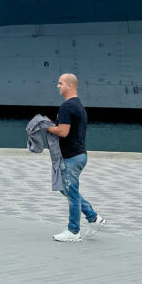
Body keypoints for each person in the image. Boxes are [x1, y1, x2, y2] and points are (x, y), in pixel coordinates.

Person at [46, 73, 105, 241]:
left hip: (71, 157)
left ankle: (73, 232)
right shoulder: (78, 105)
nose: (58, 86)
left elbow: (63, 132)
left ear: (70, 86)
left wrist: (47, 126)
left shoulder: (66, 107)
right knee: (68, 190)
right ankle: (94, 218)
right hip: (79, 155)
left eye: (60, 83)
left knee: (71, 194)